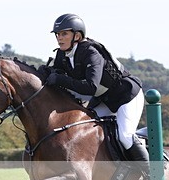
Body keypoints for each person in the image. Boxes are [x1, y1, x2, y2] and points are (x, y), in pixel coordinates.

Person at [42, 13, 150, 170]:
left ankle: (152, 176)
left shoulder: (91, 53)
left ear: (77, 36)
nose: (59, 38)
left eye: (64, 33)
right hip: (104, 99)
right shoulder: (62, 54)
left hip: (126, 96)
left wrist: (60, 79)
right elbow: (54, 72)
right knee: (85, 129)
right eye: (58, 34)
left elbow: (90, 87)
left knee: (125, 137)